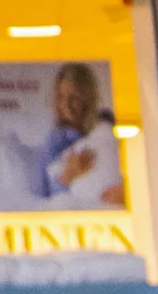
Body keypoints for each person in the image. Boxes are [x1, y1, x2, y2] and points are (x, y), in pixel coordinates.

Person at [35, 61, 120, 208]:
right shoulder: (54, 145)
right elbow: (43, 200)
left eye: (74, 97)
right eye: (61, 97)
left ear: (87, 98)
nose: (66, 105)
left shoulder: (107, 132)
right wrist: (67, 177)